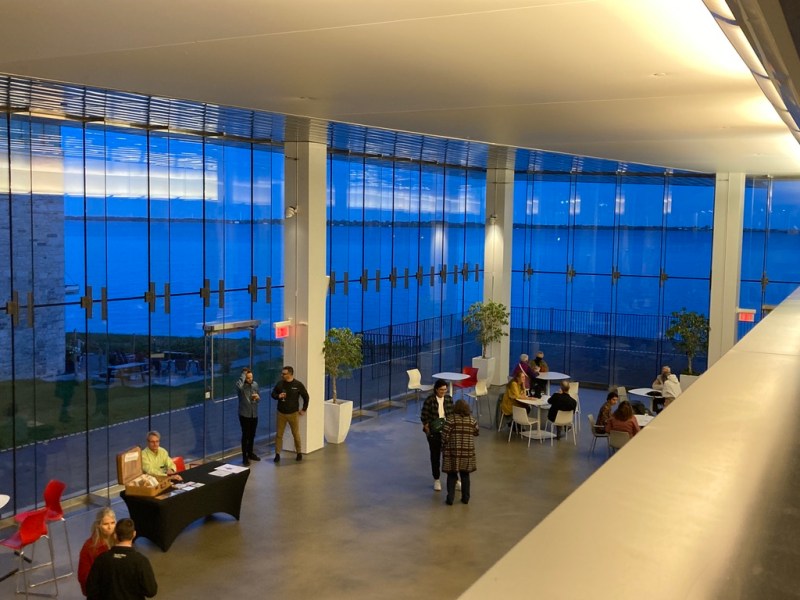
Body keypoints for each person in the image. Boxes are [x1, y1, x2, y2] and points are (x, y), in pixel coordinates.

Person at [86, 518, 158, 600]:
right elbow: (151, 591)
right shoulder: (141, 561)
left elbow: (90, 589)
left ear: (115, 535)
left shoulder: (101, 559)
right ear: (134, 534)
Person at [441, 399, 479, 505]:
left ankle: (450, 499)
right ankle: (465, 498)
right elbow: (476, 432)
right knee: (465, 475)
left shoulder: (451, 420)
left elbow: (444, 436)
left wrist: (444, 445)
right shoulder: (472, 420)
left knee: (452, 475)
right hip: (467, 453)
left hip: (454, 453)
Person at [420, 379, 455, 492]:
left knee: (450, 456)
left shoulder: (449, 399)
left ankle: (454, 479)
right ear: (436, 389)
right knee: (435, 457)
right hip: (434, 432)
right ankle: (436, 479)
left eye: (445, 390)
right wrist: (428, 430)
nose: (443, 392)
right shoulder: (430, 400)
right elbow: (424, 416)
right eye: (441, 390)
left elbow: (452, 414)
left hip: (447, 431)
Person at [270, 366, 309, 463]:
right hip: (281, 413)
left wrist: (304, 409)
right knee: (279, 434)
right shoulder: (280, 384)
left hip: (293, 414)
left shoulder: (298, 384)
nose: (282, 375)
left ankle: (299, 453)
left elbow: (306, 396)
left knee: (295, 434)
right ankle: (277, 454)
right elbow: (273, 394)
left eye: (284, 374)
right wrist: (278, 396)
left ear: (290, 374)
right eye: (282, 373)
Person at [78, 507, 116, 596]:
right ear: (98, 525)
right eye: (105, 524)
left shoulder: (119, 540)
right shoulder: (89, 547)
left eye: (112, 523)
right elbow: (83, 576)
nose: (110, 527)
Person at [236, 367, 261, 466]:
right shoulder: (241, 386)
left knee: (252, 435)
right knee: (245, 435)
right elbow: (239, 386)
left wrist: (258, 398)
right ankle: (244, 457)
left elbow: (258, 398)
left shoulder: (255, 384)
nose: (250, 379)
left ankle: (250, 453)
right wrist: (243, 374)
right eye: (248, 378)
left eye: (251, 377)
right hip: (244, 414)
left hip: (254, 414)